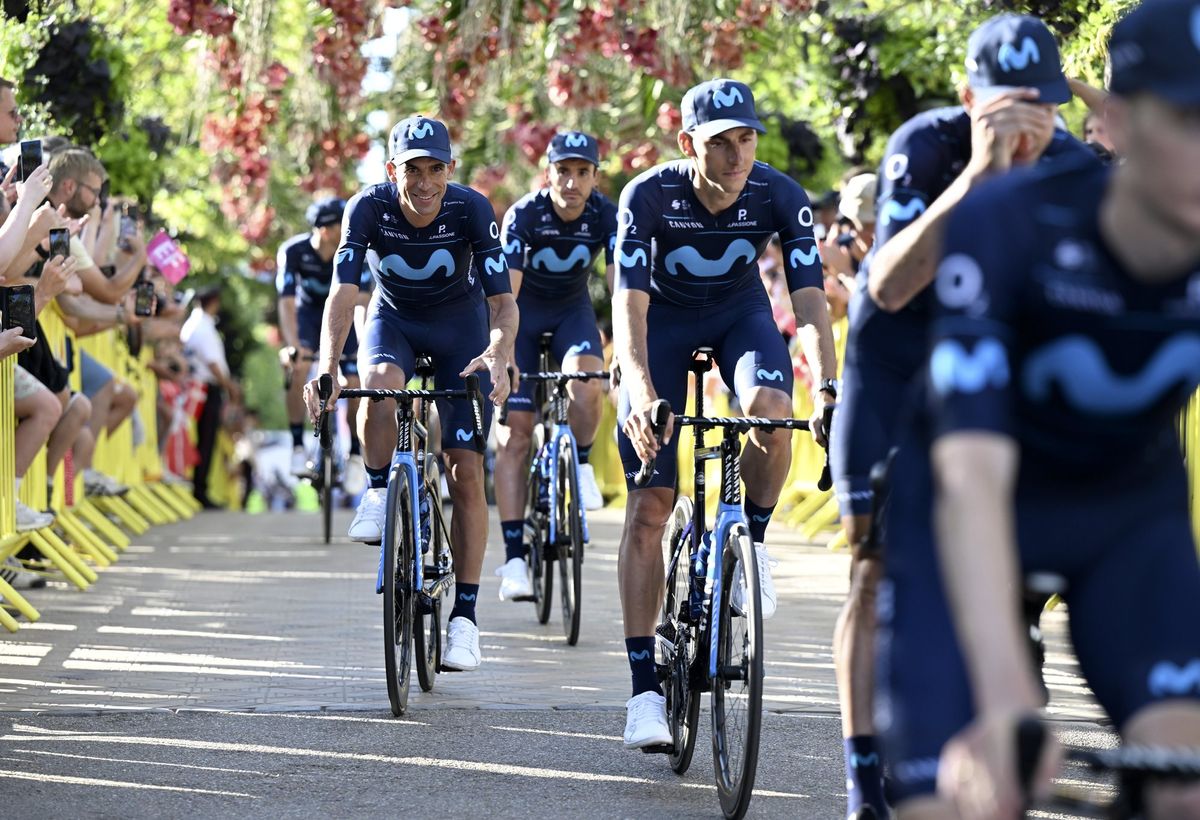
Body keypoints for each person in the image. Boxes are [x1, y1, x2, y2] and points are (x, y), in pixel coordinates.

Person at [880, 3, 1200, 817]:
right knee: (960, 792)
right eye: (1192, 118)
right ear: (1118, 123)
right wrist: (1002, 692)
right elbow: (973, 475)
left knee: (1184, 781)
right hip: (967, 503)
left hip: (1128, 517)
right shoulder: (1009, 222)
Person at [827, 14, 1097, 818]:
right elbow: (890, 287)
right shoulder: (927, 145)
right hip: (895, 364)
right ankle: (863, 782)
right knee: (873, 574)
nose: (1027, 124)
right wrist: (979, 174)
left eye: (1042, 104)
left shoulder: (1076, 167)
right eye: (1006, 105)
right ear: (966, 98)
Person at [613, 78, 837, 749]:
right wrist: (638, 389)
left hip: (741, 317)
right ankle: (643, 691)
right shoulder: (648, 196)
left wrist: (827, 385)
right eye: (720, 143)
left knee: (773, 411)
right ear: (689, 144)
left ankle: (753, 542)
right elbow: (628, 309)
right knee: (651, 505)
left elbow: (810, 302)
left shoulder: (779, 194)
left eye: (746, 138)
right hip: (664, 325)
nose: (737, 155)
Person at [303, 116, 517, 673]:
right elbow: (343, 294)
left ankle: (465, 620)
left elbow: (501, 304)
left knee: (466, 472)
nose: (424, 183)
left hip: (459, 330)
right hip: (392, 321)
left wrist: (499, 352)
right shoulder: (367, 208)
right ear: (390, 169)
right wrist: (327, 364)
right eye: (412, 170)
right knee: (377, 387)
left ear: (450, 168)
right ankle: (378, 489)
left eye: (435, 169)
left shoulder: (471, 209)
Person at [492, 130, 616, 601]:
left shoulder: (607, 214)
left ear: (594, 178)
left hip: (572, 313)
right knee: (516, 434)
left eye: (582, 172)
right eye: (563, 171)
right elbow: (508, 297)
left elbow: (622, 286)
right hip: (522, 316)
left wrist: (623, 348)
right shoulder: (526, 215)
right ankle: (514, 560)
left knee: (587, 382)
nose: (572, 182)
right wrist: (503, 356)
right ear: (549, 173)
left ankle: (580, 464)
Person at [276, 197, 370, 491]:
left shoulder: (358, 251)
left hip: (345, 314)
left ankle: (355, 453)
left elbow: (363, 305)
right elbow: (287, 304)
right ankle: (297, 446)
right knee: (299, 368)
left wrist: (364, 346)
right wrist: (292, 347)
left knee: (355, 381)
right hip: (308, 317)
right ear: (327, 230)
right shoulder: (293, 251)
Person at [181, 287, 239, 509]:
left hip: (203, 388)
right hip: (206, 389)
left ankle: (200, 487)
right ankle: (200, 489)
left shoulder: (196, 324)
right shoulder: (202, 327)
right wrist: (230, 387)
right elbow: (214, 364)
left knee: (204, 440)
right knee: (205, 441)